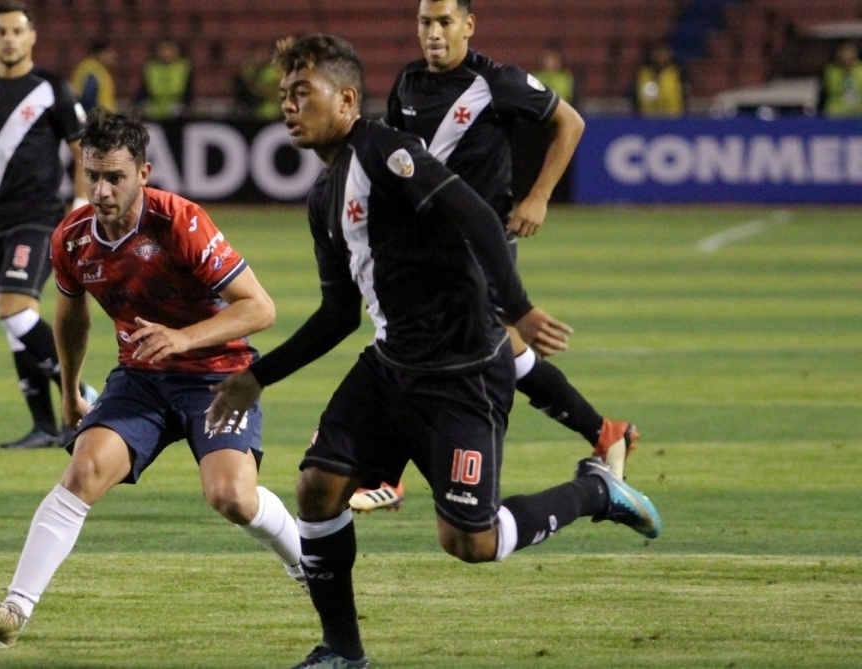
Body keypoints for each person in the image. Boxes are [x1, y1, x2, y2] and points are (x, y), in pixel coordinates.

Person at [207, 35, 662, 669]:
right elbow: (340, 314)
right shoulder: (323, 196)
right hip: (391, 366)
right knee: (316, 489)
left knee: (471, 543)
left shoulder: (385, 149)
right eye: (282, 95)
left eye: (301, 93)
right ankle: (343, 650)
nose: (287, 106)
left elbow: (474, 214)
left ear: (345, 99)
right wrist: (259, 377)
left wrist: (518, 305)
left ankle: (596, 492)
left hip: (463, 372)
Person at [0, 109, 305, 648]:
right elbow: (71, 316)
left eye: (114, 177)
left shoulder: (181, 222)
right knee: (84, 469)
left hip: (217, 374)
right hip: (141, 378)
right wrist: (70, 390)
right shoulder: (72, 238)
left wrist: (185, 337)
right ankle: (14, 611)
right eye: (91, 175)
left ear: (143, 173)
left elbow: (260, 309)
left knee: (232, 498)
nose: (100, 190)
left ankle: (307, 562)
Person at [363, 0, 637, 514]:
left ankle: (388, 473)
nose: (434, 33)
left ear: (469, 25)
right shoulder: (406, 82)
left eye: (445, 22)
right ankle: (605, 432)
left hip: (478, 246)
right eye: (426, 22)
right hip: (424, 249)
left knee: (422, 343)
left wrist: (538, 196)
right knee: (500, 351)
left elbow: (570, 123)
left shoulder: (498, 81)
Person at [0, 0, 92, 450]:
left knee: (13, 307)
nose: (8, 38)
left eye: (16, 31)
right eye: (0, 32)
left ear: (31, 38)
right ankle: (45, 427)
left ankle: (88, 399)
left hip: (42, 218)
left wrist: (81, 204)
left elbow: (81, 150)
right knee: (14, 322)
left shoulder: (52, 89)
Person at [137, 39, 193, 120]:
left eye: (168, 49)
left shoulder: (184, 66)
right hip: (154, 113)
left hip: (177, 114)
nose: (166, 53)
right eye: (163, 49)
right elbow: (144, 89)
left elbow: (189, 90)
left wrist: (184, 105)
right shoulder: (152, 67)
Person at [234, 44, 283, 120]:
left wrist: (259, 89)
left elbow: (276, 93)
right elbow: (242, 86)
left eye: (263, 55)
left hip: (269, 111)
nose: (260, 57)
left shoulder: (273, 72)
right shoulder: (249, 69)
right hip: (251, 110)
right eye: (258, 55)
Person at [635, 42, 685, 116]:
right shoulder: (644, 73)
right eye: (658, 52)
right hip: (647, 119)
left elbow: (683, 95)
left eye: (664, 52)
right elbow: (636, 96)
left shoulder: (676, 72)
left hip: (673, 119)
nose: (661, 56)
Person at [70, 39, 118, 113]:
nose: (114, 56)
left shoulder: (96, 68)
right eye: (110, 53)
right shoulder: (93, 71)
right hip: (96, 119)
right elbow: (87, 98)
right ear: (101, 53)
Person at [820, 41, 862, 117]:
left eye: (849, 52)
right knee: (831, 111)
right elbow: (833, 90)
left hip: (858, 104)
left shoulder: (860, 69)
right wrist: (845, 72)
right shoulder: (832, 70)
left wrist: (852, 72)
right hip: (838, 105)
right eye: (844, 52)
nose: (847, 55)